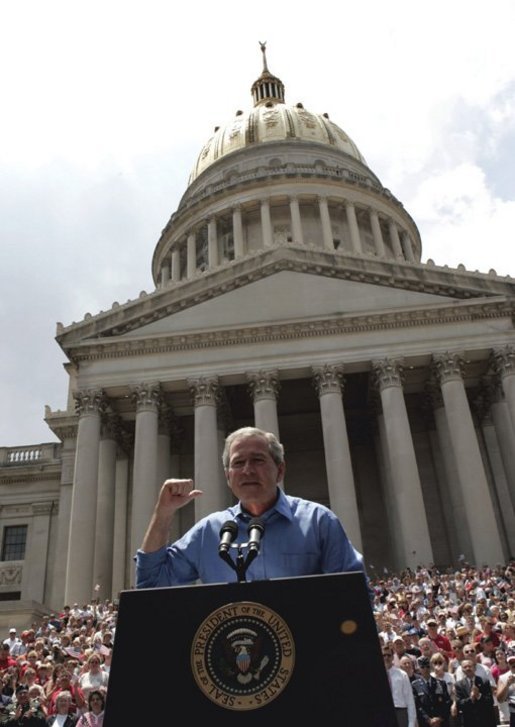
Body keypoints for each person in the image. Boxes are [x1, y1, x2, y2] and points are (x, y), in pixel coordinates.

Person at [136, 426, 368, 589]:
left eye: (258, 460)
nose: (247, 470)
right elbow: (152, 584)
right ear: (228, 477)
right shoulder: (209, 532)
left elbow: (355, 593)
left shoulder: (318, 522)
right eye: (238, 463)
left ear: (280, 470)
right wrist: (163, 514)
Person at [411, 655, 452, 727]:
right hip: (426, 723)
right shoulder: (415, 685)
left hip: (441, 722)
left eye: (427, 666)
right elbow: (417, 705)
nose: (425, 669)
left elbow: (447, 702)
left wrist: (440, 718)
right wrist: (428, 720)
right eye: (423, 667)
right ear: (419, 669)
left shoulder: (440, 683)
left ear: (431, 667)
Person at [454, 658, 497, 726]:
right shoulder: (459, 685)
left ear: (474, 668)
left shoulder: (484, 681)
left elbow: (490, 701)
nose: (468, 668)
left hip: (485, 721)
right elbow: (459, 704)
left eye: (470, 666)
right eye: (465, 667)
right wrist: (471, 699)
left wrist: (479, 695)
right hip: (469, 721)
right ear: (462, 669)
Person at [382, 645, 417, 727]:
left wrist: (411, 723)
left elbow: (409, 699)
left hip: (400, 712)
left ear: (392, 657)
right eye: (384, 655)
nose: (386, 657)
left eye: (389, 655)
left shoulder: (402, 674)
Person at [496, 652, 515, 726]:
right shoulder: (503, 678)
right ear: (508, 664)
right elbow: (500, 699)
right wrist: (507, 685)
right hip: (512, 714)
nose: (514, 664)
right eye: (511, 662)